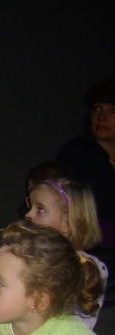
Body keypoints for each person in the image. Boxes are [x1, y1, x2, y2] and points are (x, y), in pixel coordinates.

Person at [0, 167, 107, 328]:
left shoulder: (89, 268)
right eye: (30, 206)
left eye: (40, 209)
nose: (28, 215)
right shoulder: (16, 253)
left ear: (67, 222)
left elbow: (81, 328)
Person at [57, 79, 115, 247]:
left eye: (112, 111)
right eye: (97, 109)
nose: (101, 117)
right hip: (89, 246)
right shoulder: (76, 152)